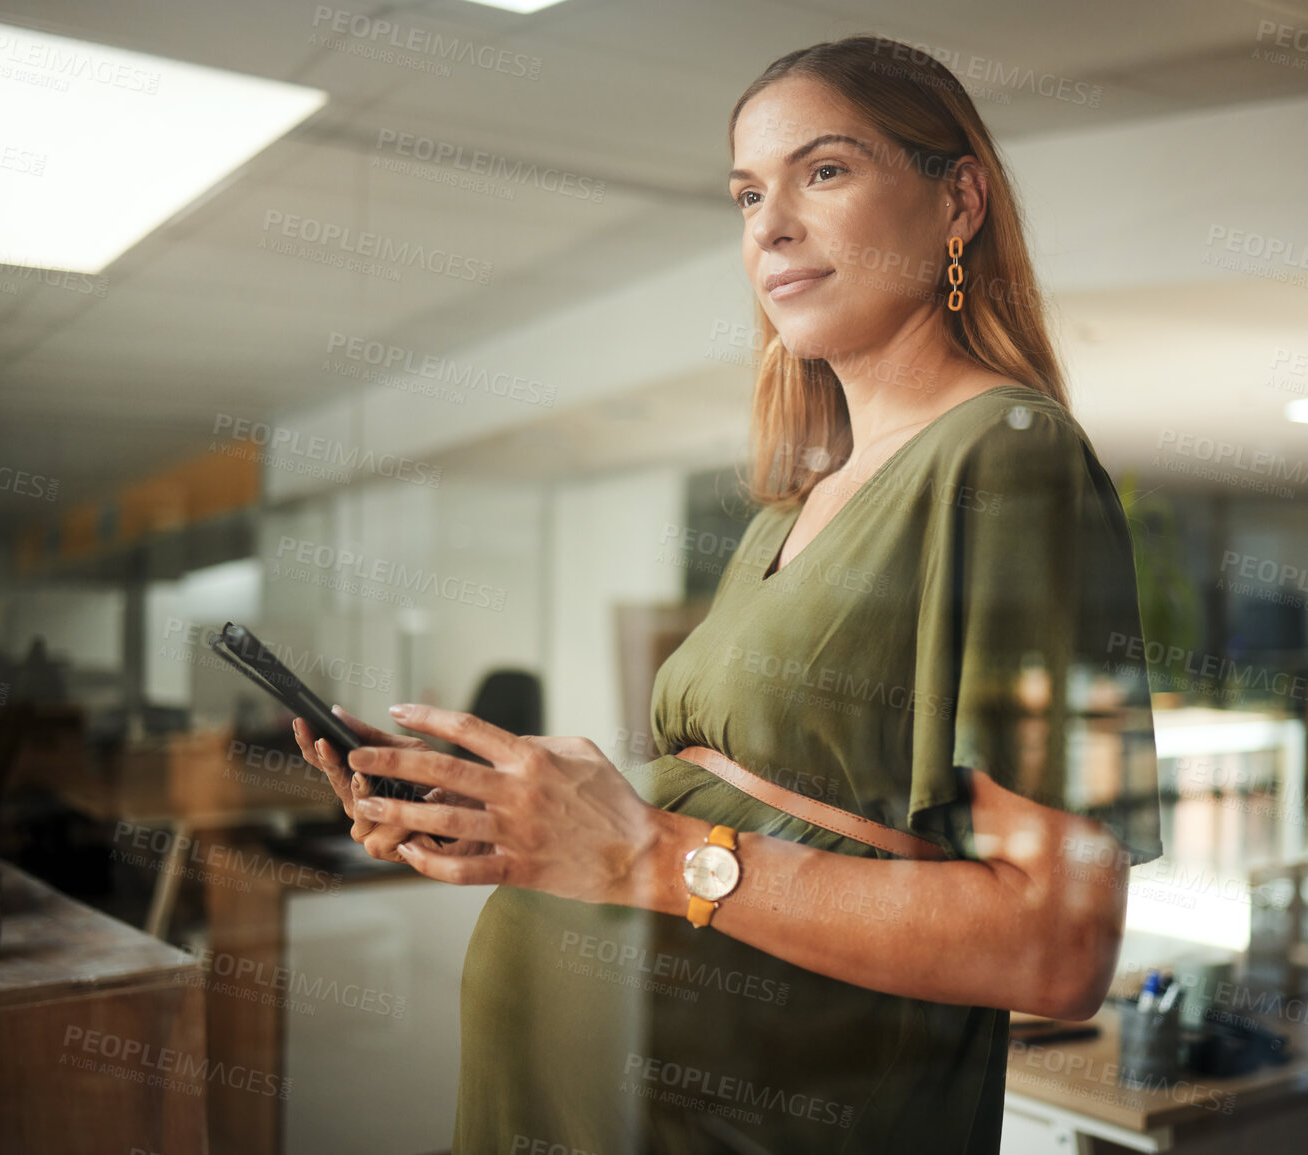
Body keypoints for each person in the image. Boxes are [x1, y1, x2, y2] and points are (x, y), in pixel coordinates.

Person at [295, 34, 1162, 1154]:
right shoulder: (779, 518)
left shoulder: (1008, 455)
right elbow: (723, 818)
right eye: (749, 192)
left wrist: (645, 855)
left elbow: (1057, 947)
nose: (771, 225)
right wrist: (520, 829)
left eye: (826, 171)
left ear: (959, 200)